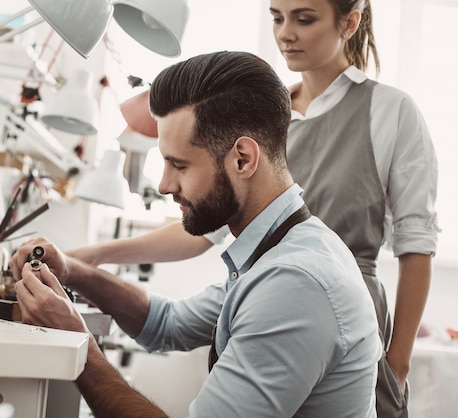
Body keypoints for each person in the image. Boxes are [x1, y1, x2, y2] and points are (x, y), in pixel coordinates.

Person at [67, 1, 440, 416]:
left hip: (321, 308)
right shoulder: (264, 239)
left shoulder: (387, 111)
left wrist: (397, 365)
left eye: (304, 18)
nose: (285, 33)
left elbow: (416, 242)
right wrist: (78, 268)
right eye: (277, 18)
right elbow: (168, 318)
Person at [10, 50, 382, 418]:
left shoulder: (295, 283)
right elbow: (165, 324)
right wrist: (74, 271)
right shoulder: (279, 249)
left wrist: (77, 343)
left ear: (243, 159)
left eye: (179, 164)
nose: (164, 184)